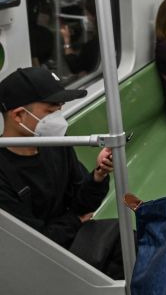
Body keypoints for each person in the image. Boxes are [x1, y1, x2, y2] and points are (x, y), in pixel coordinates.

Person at [0, 67, 121, 277]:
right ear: (19, 115)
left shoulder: (56, 145)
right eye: (51, 110)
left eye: (60, 107)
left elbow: (82, 204)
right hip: (40, 265)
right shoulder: (3, 173)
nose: (59, 116)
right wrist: (75, 220)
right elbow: (34, 242)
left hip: (73, 240)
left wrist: (97, 176)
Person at [61, 0, 101, 76]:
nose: (85, 19)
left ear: (94, 17)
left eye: (86, 14)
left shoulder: (92, 46)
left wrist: (66, 40)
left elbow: (75, 67)